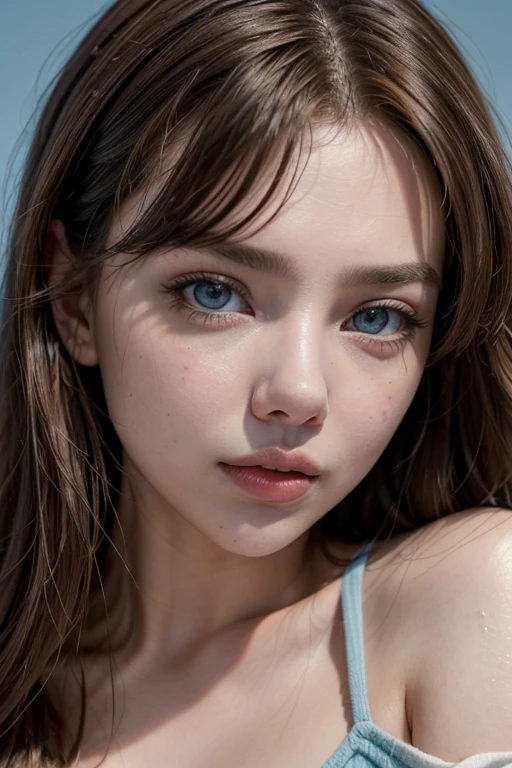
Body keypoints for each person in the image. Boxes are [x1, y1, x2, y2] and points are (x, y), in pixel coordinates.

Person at [2, 0, 512, 765]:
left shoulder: (469, 603)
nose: (299, 392)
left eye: (377, 317)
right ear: (73, 293)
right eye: (215, 293)